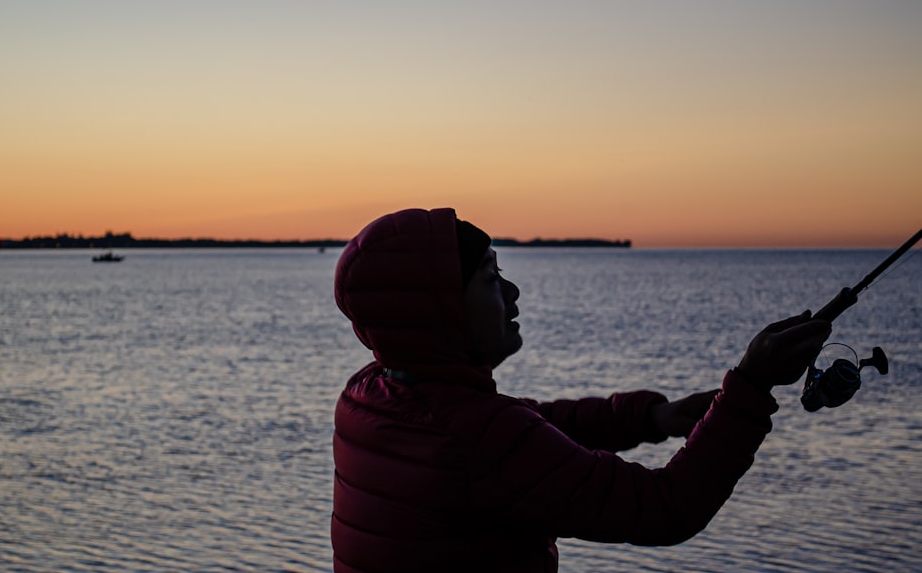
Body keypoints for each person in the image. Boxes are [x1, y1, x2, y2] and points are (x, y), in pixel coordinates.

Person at [331, 207, 831, 572]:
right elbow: (664, 508)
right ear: (441, 312)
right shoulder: (478, 436)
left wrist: (651, 419)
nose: (511, 292)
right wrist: (750, 386)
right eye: (489, 279)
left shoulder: (368, 396)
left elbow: (532, 428)